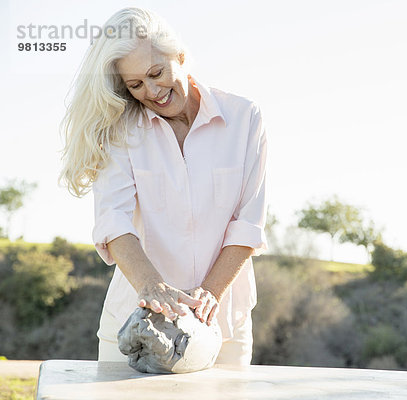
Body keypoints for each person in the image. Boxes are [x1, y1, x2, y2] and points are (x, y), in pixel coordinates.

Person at [58, 7, 268, 366]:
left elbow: (248, 223)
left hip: (222, 329)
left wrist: (208, 295)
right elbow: (114, 221)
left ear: (181, 56)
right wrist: (151, 286)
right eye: (136, 85)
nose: (153, 91)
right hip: (136, 325)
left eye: (157, 73)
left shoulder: (244, 117)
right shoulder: (121, 130)